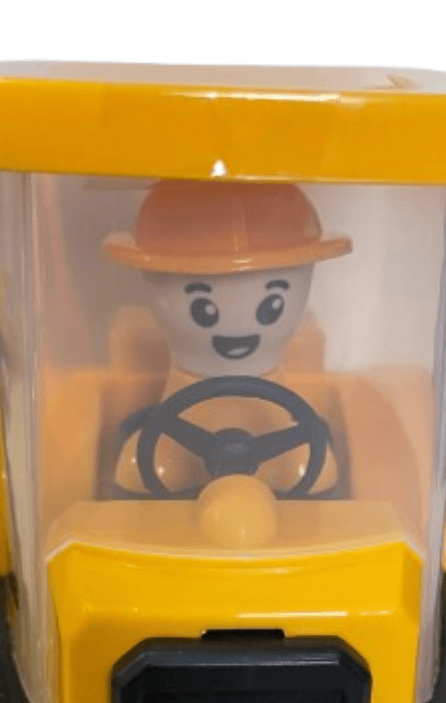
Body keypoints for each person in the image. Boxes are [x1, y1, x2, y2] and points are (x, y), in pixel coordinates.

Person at [103, 180, 351, 498]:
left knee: (313, 471)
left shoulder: (301, 454)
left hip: (286, 441)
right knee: (139, 469)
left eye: (272, 304)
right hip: (167, 439)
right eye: (203, 309)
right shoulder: (152, 454)